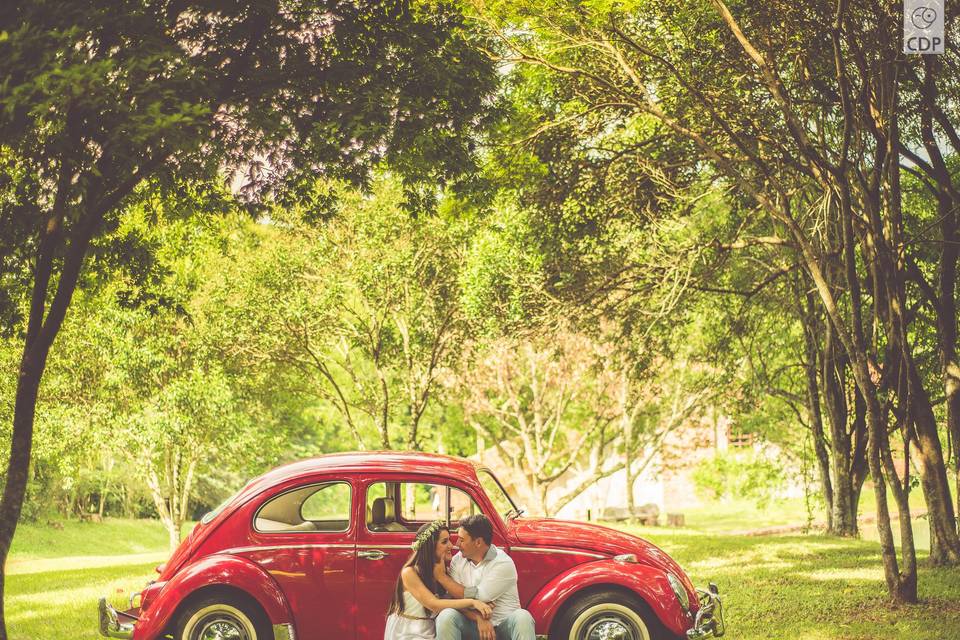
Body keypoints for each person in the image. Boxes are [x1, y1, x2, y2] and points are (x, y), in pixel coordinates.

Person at [385, 520, 493, 640]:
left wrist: (478, 617)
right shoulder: (409, 573)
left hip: (430, 629)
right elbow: (434, 604)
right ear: (430, 547)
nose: (451, 546)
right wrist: (473, 602)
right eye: (444, 542)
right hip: (408, 631)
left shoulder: (443, 571)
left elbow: (451, 602)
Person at [433, 514, 536, 640]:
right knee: (446, 615)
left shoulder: (503, 563)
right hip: (473, 627)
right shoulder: (457, 560)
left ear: (478, 542)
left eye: (462, 540)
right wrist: (478, 616)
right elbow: (454, 599)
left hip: (503, 627)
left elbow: (480, 596)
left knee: (522, 617)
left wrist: (442, 578)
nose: (457, 544)